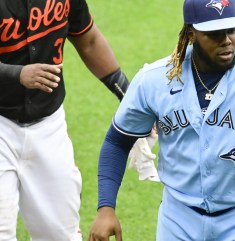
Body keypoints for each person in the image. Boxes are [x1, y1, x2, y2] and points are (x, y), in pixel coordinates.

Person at [88, 0, 235, 240]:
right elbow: (118, 141)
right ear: (192, 34)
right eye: (214, 33)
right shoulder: (154, 81)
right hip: (180, 217)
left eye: (231, 30)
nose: (226, 40)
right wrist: (106, 208)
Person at [0, 0, 129, 240]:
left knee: (60, 234)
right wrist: (17, 74)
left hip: (49, 126)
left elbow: (87, 39)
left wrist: (126, 93)